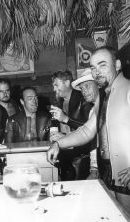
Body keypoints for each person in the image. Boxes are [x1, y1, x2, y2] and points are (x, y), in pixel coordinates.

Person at [47, 46, 130, 214]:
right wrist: (58, 143)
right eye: (93, 67)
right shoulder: (104, 96)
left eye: (102, 65)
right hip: (108, 174)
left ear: (118, 64)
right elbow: (86, 131)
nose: (97, 72)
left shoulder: (128, 90)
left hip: (126, 176)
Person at [50, 70, 93, 180]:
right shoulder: (59, 102)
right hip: (65, 156)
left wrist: (66, 119)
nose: (54, 89)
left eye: (56, 85)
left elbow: (89, 128)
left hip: (81, 158)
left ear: (67, 82)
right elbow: (60, 127)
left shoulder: (84, 98)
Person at [70, 68, 105, 179]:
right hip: (101, 169)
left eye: (87, 86)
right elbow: (94, 143)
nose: (83, 91)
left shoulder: (109, 105)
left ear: (98, 85)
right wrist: (94, 169)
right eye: (81, 88)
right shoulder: (93, 110)